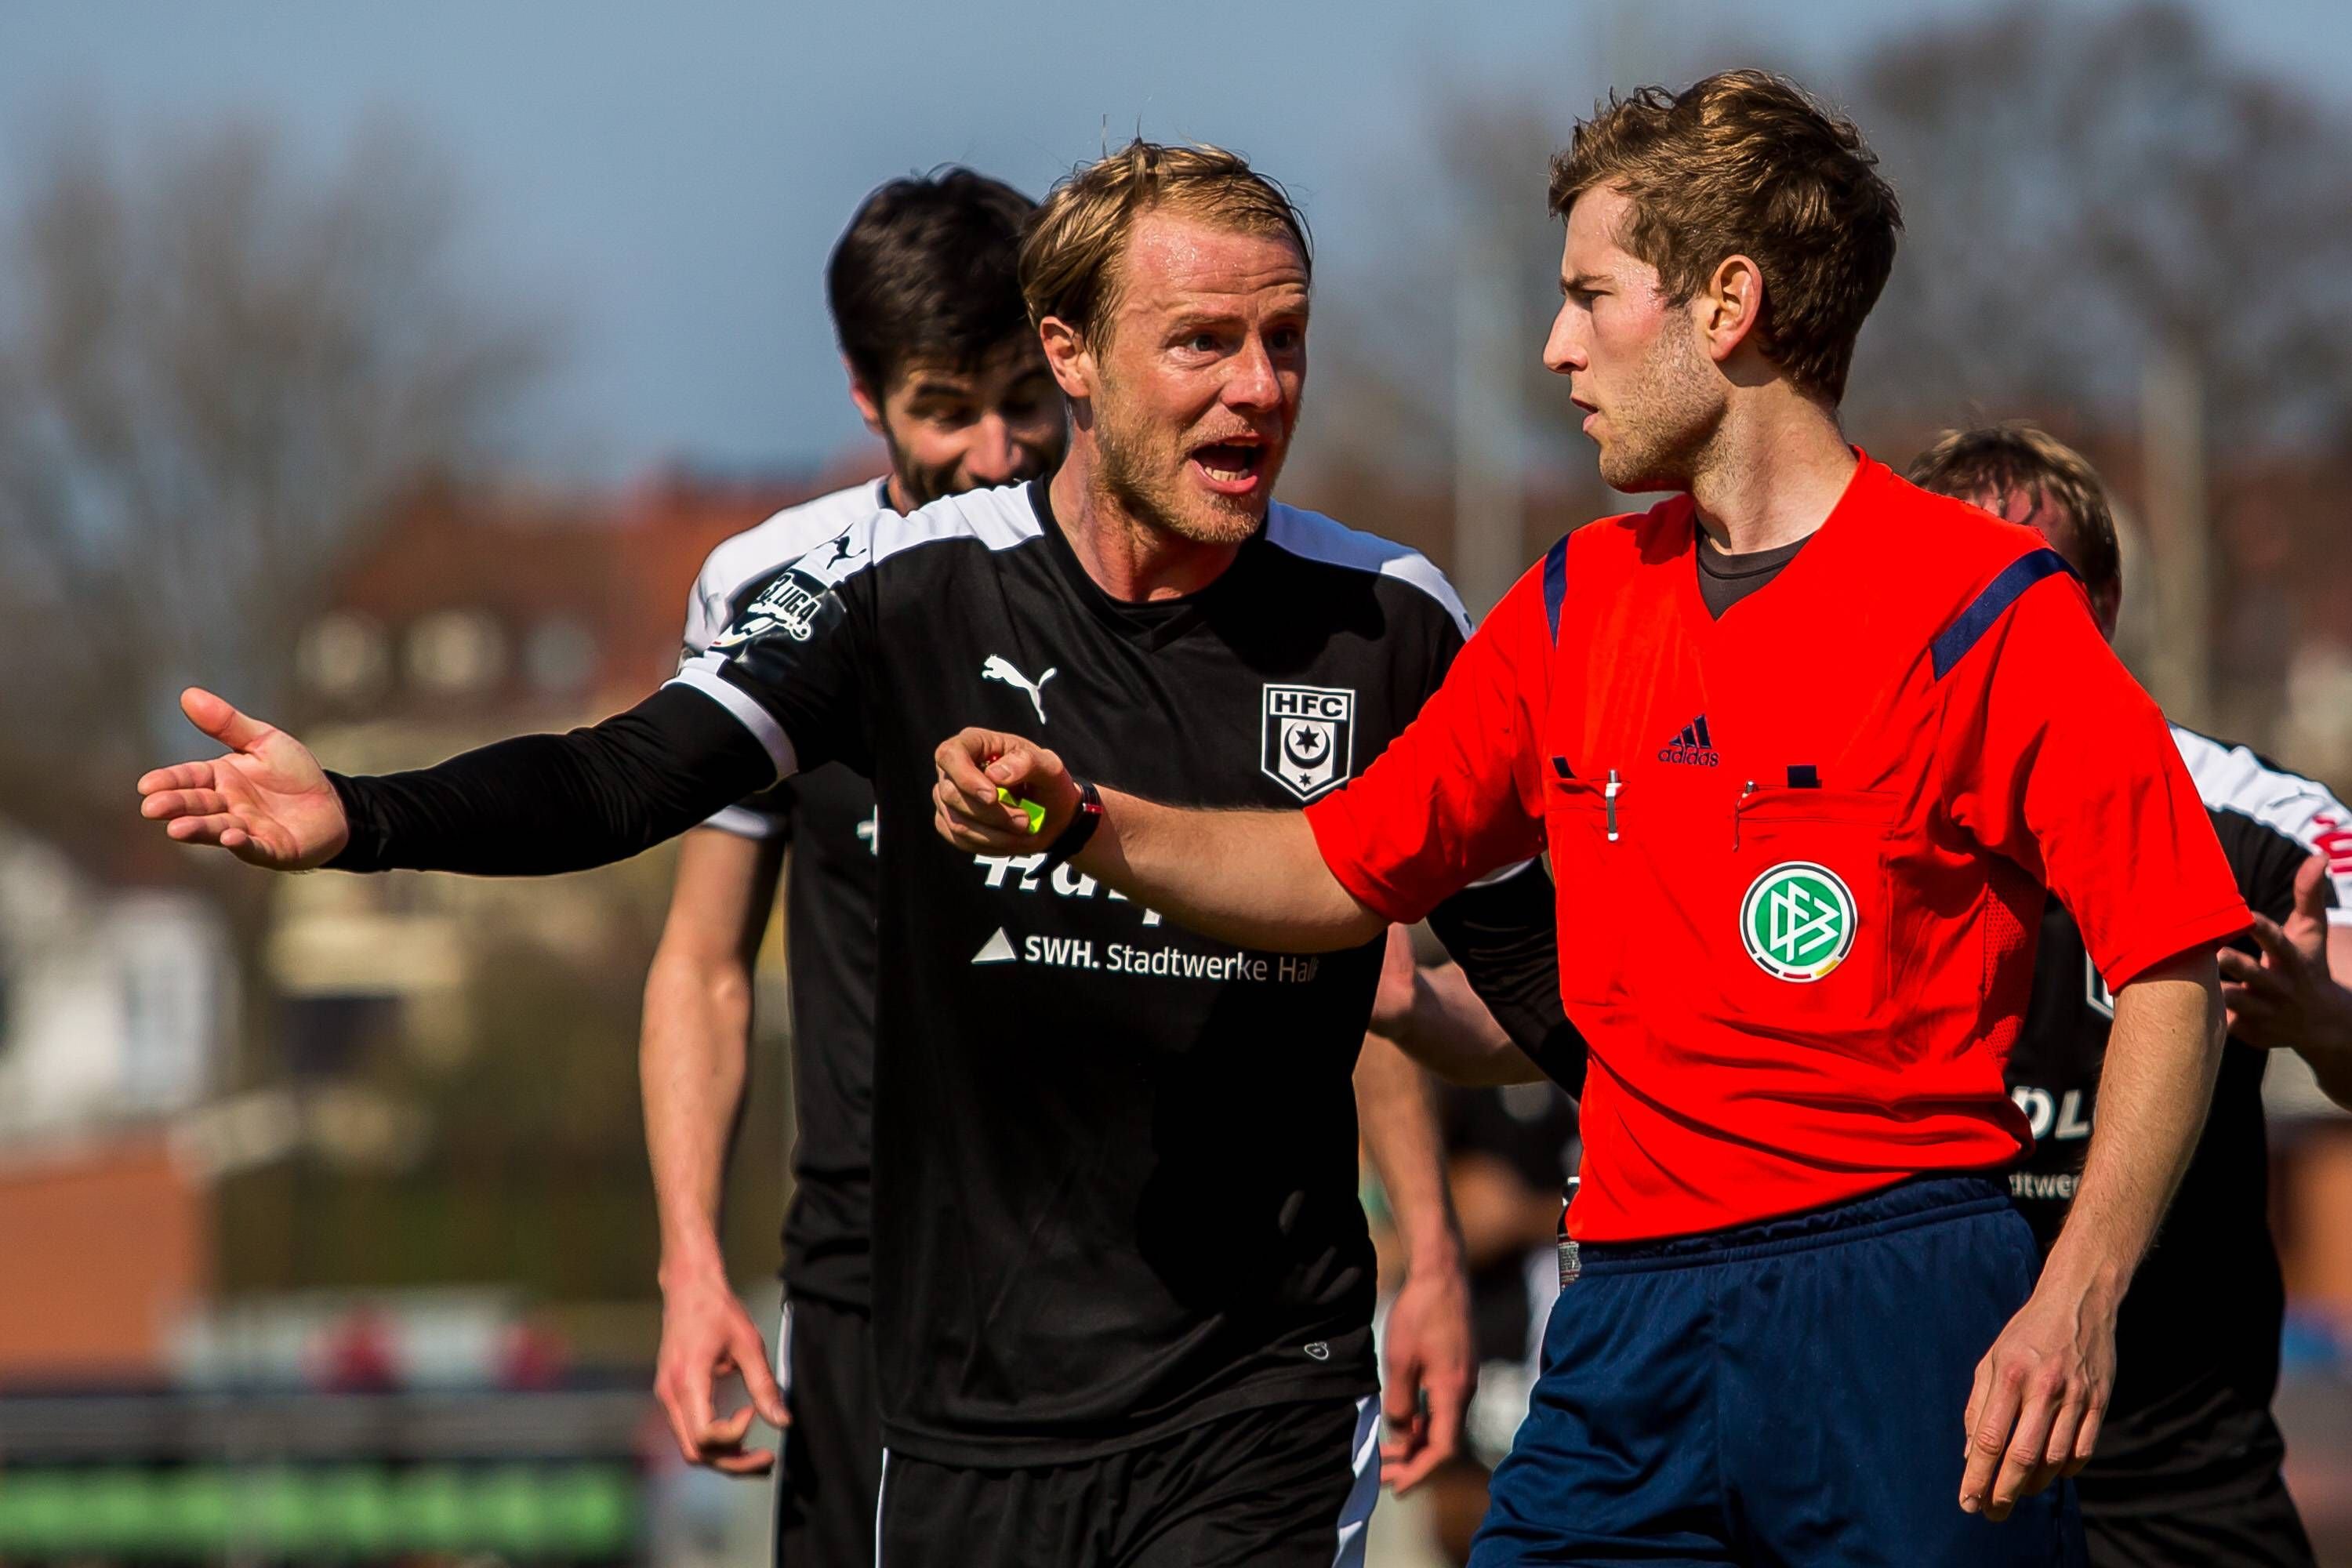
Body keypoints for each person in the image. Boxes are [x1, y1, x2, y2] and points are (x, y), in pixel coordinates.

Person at [134, 140, 1573, 1567]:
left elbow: (1558, 990)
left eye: (1285, 340)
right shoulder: (904, 595)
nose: (1259, 388)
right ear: (1069, 352)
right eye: (1203, 341)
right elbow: (627, 775)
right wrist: (363, 816)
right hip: (960, 1410)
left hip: (1261, 1387)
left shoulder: (1389, 622)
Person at [927, 72, 2250, 1566]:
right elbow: (1332, 865)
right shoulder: (1572, 603)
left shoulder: (1986, 612)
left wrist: (2078, 1297)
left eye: (1589, 294)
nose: (1555, 347)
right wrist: (1084, 819)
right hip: (1622, 1325)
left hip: (1904, 1308)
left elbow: (2175, 971)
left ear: (1726, 302)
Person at [642, 169, 1063, 1566]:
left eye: (1025, 398)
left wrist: (1420, 1240)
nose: (998, 449)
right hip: (869, 1280)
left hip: (1130, 1276)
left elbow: (1325, 924)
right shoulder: (772, 588)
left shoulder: (1161, 577)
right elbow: (705, 965)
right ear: (866, 395)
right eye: (950, 407)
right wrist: (690, 1262)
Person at [1908, 422, 2352, 1568]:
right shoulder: (1837, 809)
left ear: (2100, 609)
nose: (1994, 624)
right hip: (1912, 1466)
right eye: (1959, 589)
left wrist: (2332, 1026)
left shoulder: (2254, 821)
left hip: (2179, 1479)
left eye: (2032, 586)